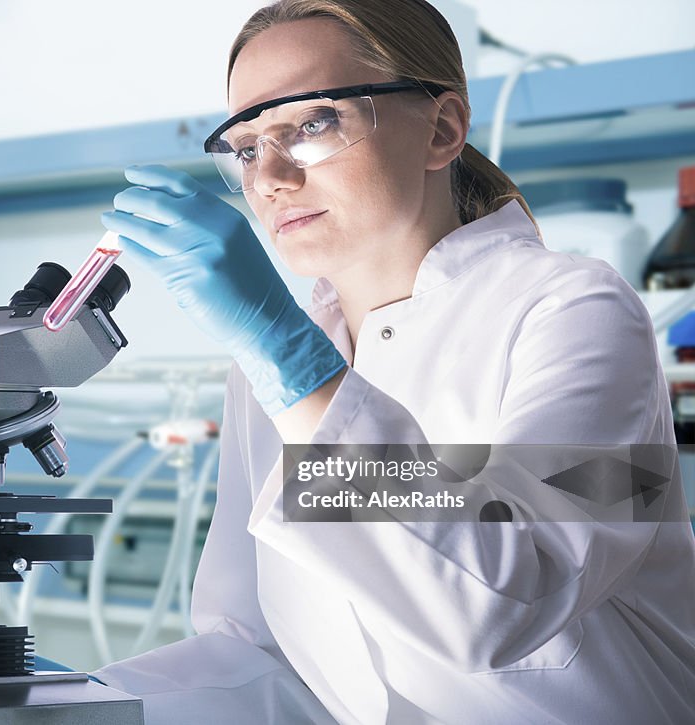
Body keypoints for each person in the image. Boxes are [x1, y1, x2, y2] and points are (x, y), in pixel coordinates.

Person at [91, 1, 695, 722]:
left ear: (441, 129)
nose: (272, 175)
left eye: (313, 123)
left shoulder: (581, 312)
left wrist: (290, 363)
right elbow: (260, 651)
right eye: (247, 146)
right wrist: (76, 702)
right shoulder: (268, 376)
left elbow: (510, 597)